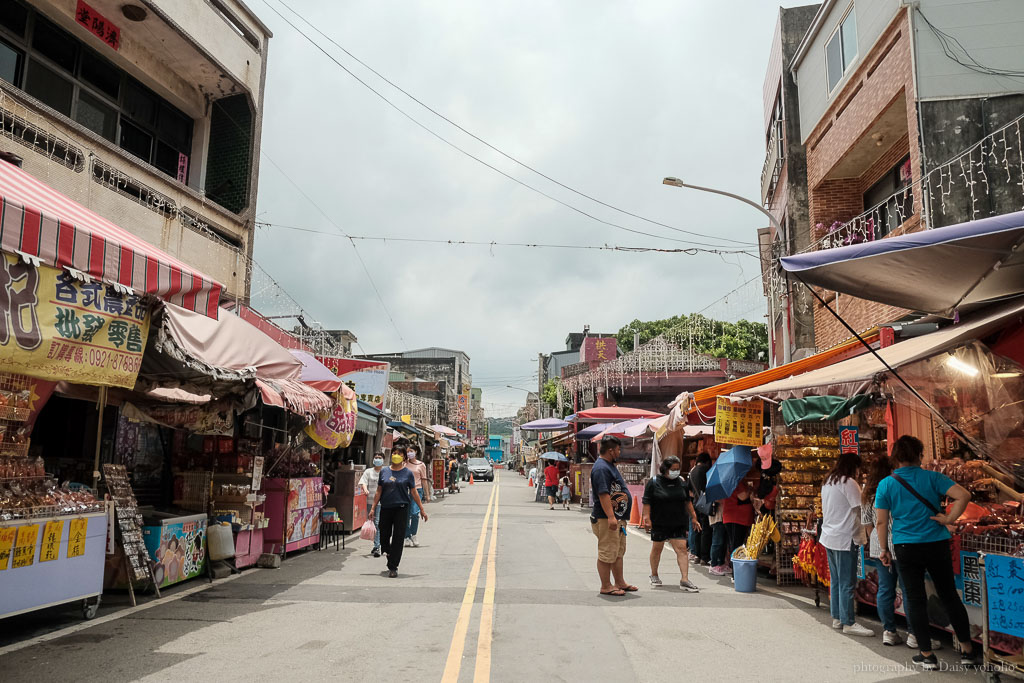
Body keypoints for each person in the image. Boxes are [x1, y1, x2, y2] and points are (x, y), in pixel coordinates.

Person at [875, 435, 977, 670]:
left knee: (916, 600)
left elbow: (881, 522)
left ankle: (927, 656)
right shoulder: (933, 477)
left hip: (906, 547)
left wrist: (883, 549)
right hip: (937, 543)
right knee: (950, 596)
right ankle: (968, 651)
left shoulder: (886, 484)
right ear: (919, 455)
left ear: (896, 457)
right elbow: (964, 495)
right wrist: (949, 518)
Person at [861, 454, 920, 649]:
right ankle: (914, 634)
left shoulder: (867, 492)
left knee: (885, 589)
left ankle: (889, 631)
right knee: (908, 590)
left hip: (880, 546)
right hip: (902, 543)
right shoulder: (896, 486)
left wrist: (878, 541)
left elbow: (868, 524)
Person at [820, 451, 873, 637]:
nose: (859, 472)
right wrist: (870, 532)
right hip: (844, 538)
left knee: (836, 580)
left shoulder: (828, 482)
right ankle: (848, 622)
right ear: (853, 467)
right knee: (847, 582)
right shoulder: (849, 483)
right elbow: (860, 511)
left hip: (829, 536)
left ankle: (837, 617)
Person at [642, 456, 701, 592]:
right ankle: (654, 574)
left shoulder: (681, 483)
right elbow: (647, 502)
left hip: (678, 522)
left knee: (681, 549)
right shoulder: (654, 482)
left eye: (677, 469)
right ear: (665, 469)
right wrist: (647, 518)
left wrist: (693, 517)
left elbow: (687, 501)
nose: (676, 471)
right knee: (657, 548)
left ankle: (684, 579)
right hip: (659, 522)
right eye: (673, 469)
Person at [369, 446, 427, 578]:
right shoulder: (384, 472)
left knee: (398, 538)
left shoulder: (407, 473)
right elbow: (379, 491)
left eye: (399, 453)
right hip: (386, 508)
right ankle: (388, 552)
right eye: (394, 453)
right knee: (384, 534)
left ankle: (393, 566)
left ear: (404, 457)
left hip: (401, 508)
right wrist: (373, 507)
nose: (396, 455)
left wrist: (422, 509)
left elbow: (413, 492)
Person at [590, 436, 636, 596]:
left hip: (617, 517)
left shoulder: (609, 466)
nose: (619, 452)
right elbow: (603, 494)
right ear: (610, 450)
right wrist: (610, 516)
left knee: (618, 551)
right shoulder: (601, 468)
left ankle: (620, 581)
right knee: (607, 551)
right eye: (617, 449)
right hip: (606, 517)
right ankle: (606, 585)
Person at [721, 480, 755, 572]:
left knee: (734, 544)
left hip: (732, 516)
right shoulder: (736, 482)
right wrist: (750, 489)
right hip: (737, 517)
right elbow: (742, 496)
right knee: (736, 546)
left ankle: (735, 570)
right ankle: (736, 572)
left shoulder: (728, 482)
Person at [688, 452, 713, 566]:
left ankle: (697, 555)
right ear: (707, 461)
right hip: (705, 503)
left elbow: (689, 490)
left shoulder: (692, 471)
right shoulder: (706, 470)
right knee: (705, 530)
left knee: (697, 529)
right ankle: (704, 557)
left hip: (695, 503)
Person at [359, 453, 385, 557]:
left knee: (379, 523)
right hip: (371, 501)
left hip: (383, 502)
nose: (377, 460)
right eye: (376, 458)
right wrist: (365, 489)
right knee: (375, 523)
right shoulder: (368, 471)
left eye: (380, 458)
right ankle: (377, 545)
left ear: (383, 460)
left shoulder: (385, 471)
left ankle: (378, 545)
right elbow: (363, 482)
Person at [405, 447, 429, 547]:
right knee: (405, 514)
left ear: (416, 452)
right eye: (407, 451)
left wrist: (427, 494)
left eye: (411, 451)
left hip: (417, 490)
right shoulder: (403, 464)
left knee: (415, 513)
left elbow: (424, 479)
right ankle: (406, 536)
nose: (409, 453)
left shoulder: (421, 465)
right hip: (404, 490)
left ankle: (413, 534)